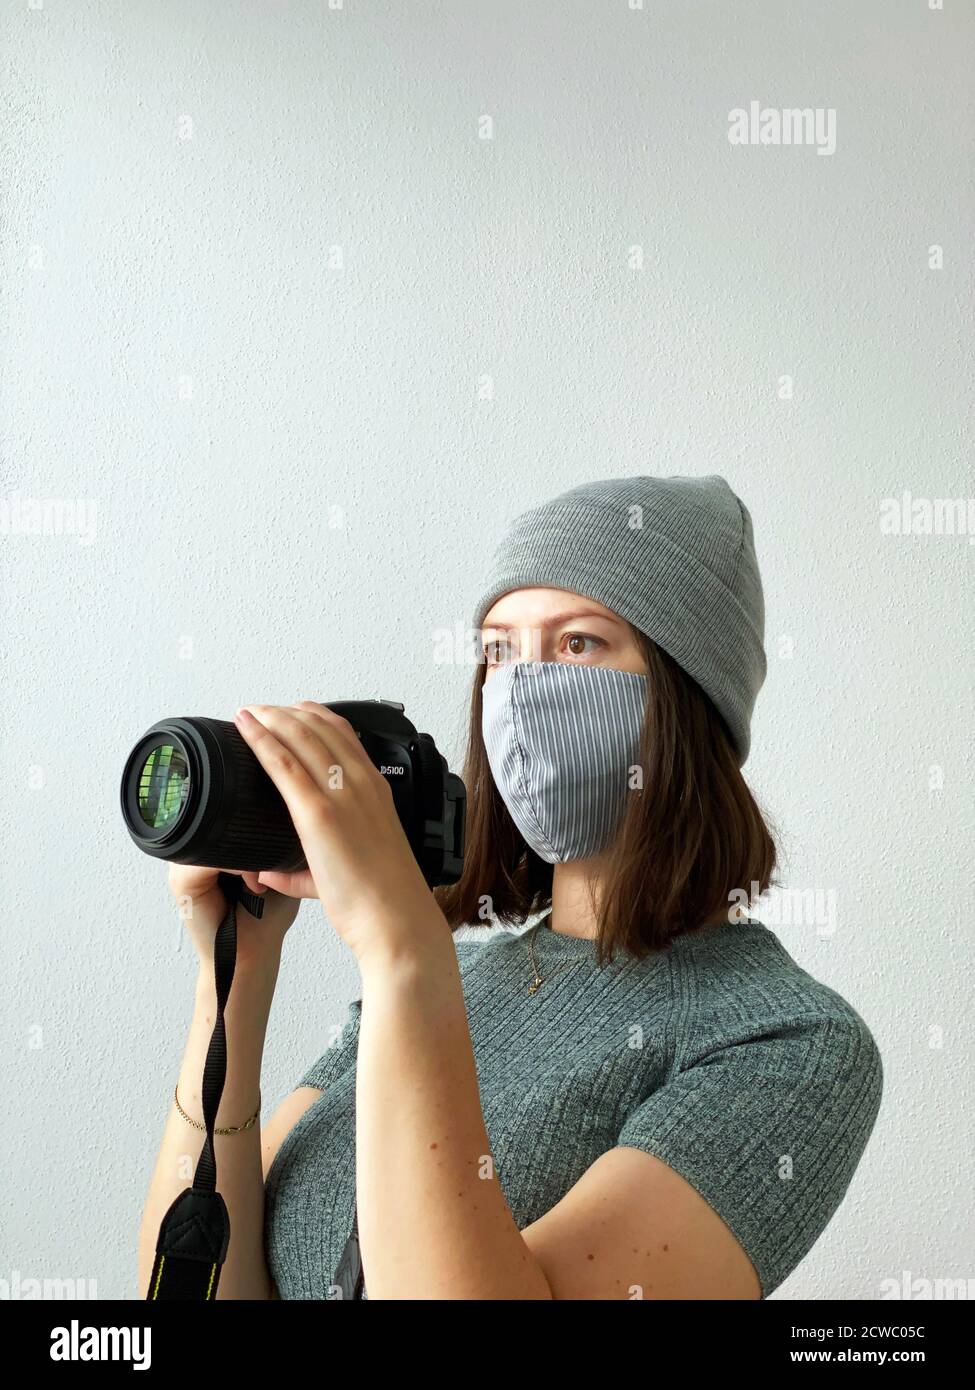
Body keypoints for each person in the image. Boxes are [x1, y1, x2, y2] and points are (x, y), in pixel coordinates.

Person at [137, 474, 883, 1299]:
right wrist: (233, 978)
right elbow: (193, 1294)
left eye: (577, 644)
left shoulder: (786, 1041)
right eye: (498, 650)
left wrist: (398, 941)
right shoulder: (447, 981)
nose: (522, 690)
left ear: (687, 698)